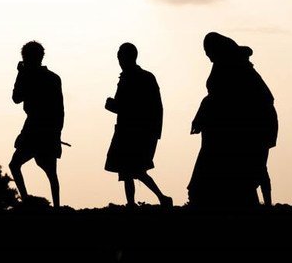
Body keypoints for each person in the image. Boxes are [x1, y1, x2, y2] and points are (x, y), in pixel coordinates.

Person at [187, 32, 277, 208]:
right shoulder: (223, 65)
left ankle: (266, 205)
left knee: (253, 169)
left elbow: (229, 98)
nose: (208, 57)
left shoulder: (237, 68)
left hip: (251, 125)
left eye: (209, 52)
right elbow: (213, 96)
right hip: (228, 126)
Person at [104, 43, 173, 207]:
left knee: (133, 169)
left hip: (134, 131)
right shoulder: (143, 77)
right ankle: (133, 202)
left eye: (121, 57)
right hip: (135, 130)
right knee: (129, 170)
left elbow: (128, 106)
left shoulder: (134, 78)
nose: (120, 60)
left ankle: (160, 198)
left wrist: (110, 105)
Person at [10, 41, 65, 207]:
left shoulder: (29, 76)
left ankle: (27, 200)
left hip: (35, 128)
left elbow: (16, 98)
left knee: (16, 165)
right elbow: (60, 110)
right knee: (51, 173)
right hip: (46, 129)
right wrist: (57, 132)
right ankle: (55, 206)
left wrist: (21, 74)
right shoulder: (53, 78)